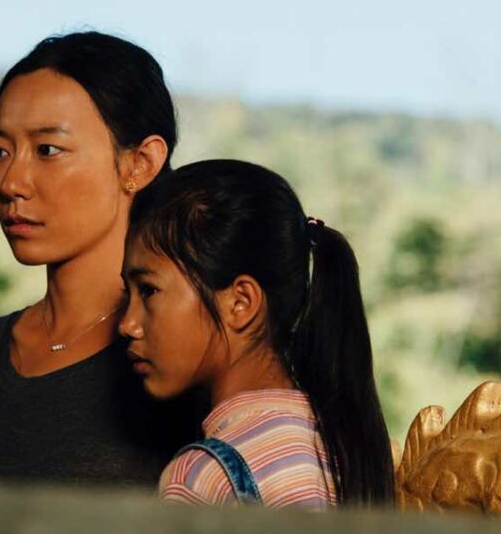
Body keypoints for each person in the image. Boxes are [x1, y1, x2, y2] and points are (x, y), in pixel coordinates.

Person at [0, 31, 199, 485]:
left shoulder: (175, 362)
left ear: (139, 163)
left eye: (48, 150)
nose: (11, 182)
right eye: (0, 151)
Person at [118, 159, 395, 508]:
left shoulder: (203, 476)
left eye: (148, 291)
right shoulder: (343, 449)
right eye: (127, 295)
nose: (127, 323)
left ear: (240, 303)